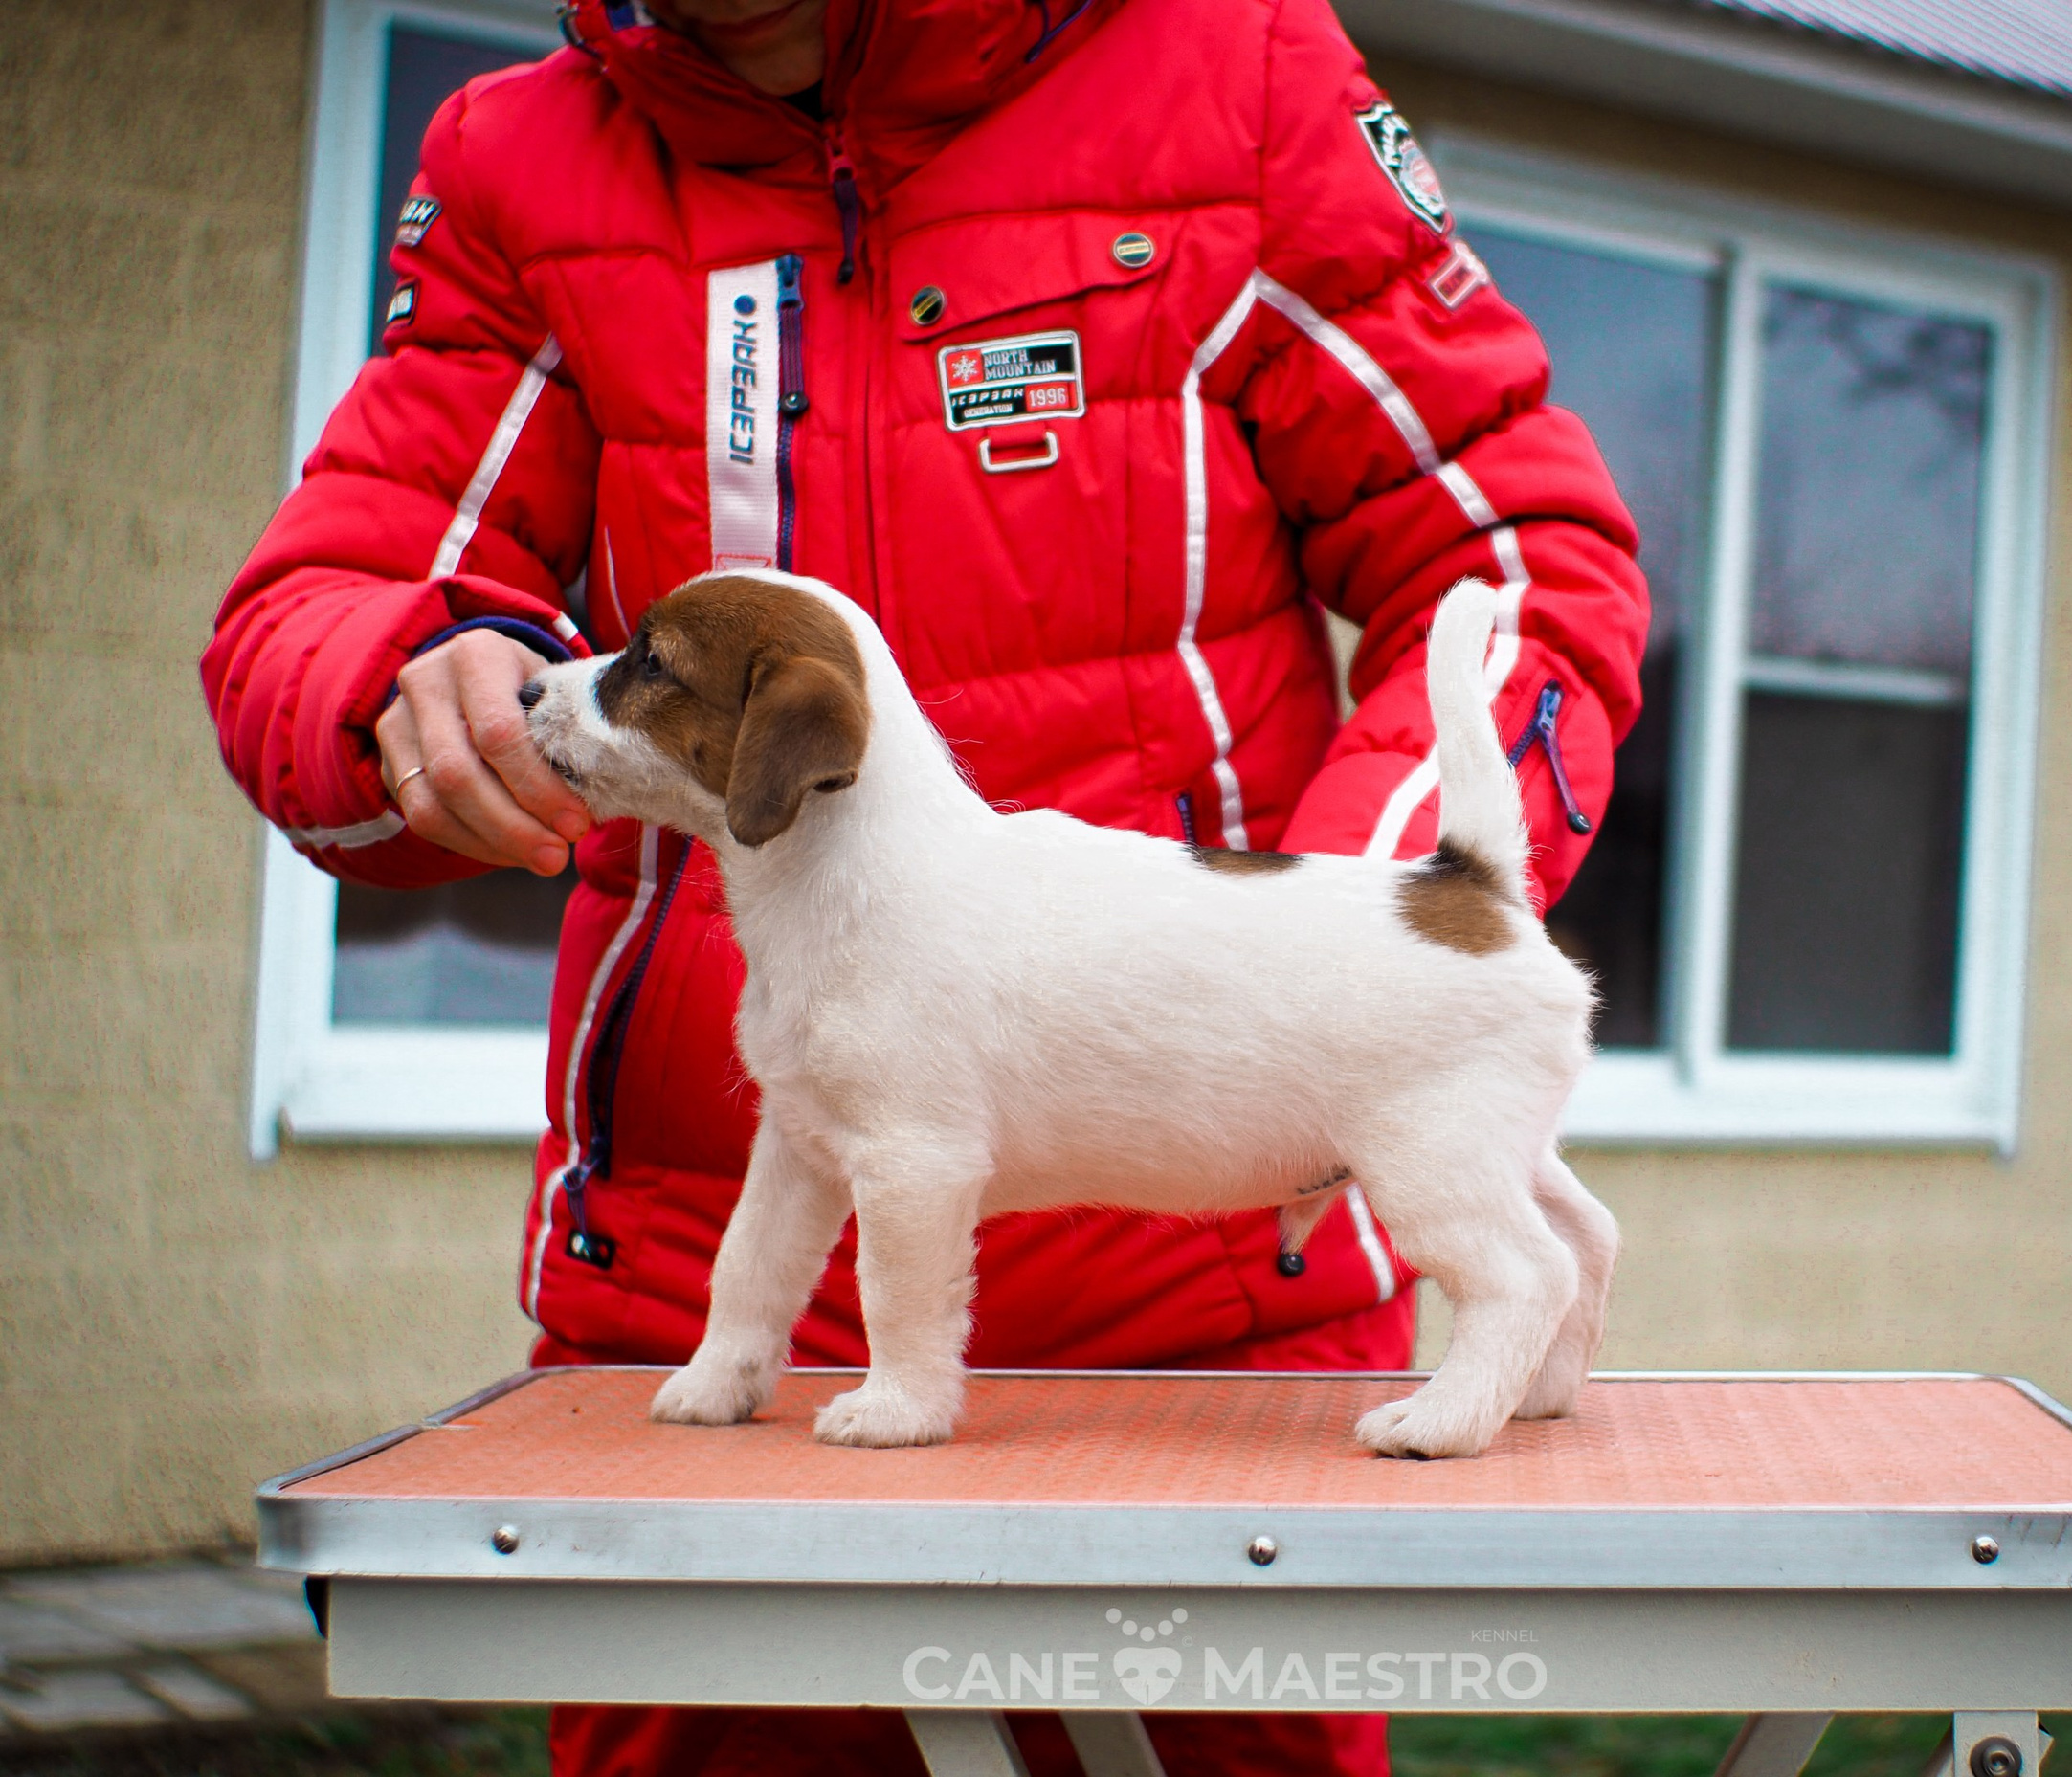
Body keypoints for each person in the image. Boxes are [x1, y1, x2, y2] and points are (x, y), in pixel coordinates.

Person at [202, 0, 1647, 1770]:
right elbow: (332, 589)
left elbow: (1511, 551)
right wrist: (389, 678)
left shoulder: (1242, 76)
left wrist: (1332, 951)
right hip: (698, 1315)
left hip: (1207, 1316)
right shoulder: (520, 159)